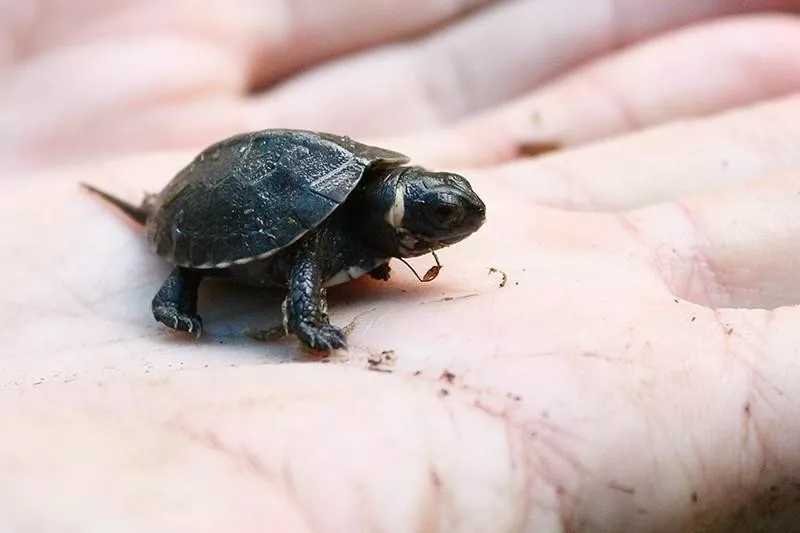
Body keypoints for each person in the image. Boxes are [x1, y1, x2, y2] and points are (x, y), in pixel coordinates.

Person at [2, 1, 800, 530]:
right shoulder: (334, 221)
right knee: (259, 257)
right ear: (398, 213)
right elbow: (306, 244)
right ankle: (181, 284)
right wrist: (306, 319)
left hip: (316, 195)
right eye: (440, 218)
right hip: (206, 205)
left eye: (446, 211)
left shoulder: (371, 198)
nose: (454, 227)